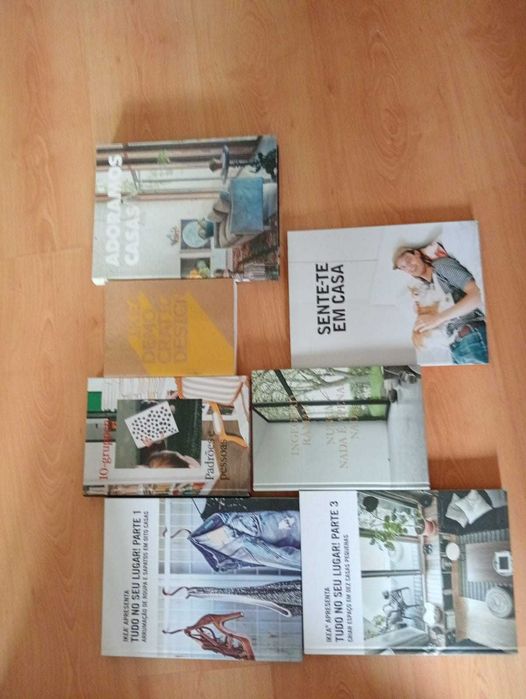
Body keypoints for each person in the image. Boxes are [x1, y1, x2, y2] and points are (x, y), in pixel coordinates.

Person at [393, 246, 488, 364]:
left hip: (471, 337)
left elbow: (477, 295)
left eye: (408, 260)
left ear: (417, 254)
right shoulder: (424, 290)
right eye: (403, 267)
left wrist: (437, 319)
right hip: (455, 349)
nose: (409, 267)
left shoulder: (442, 267)